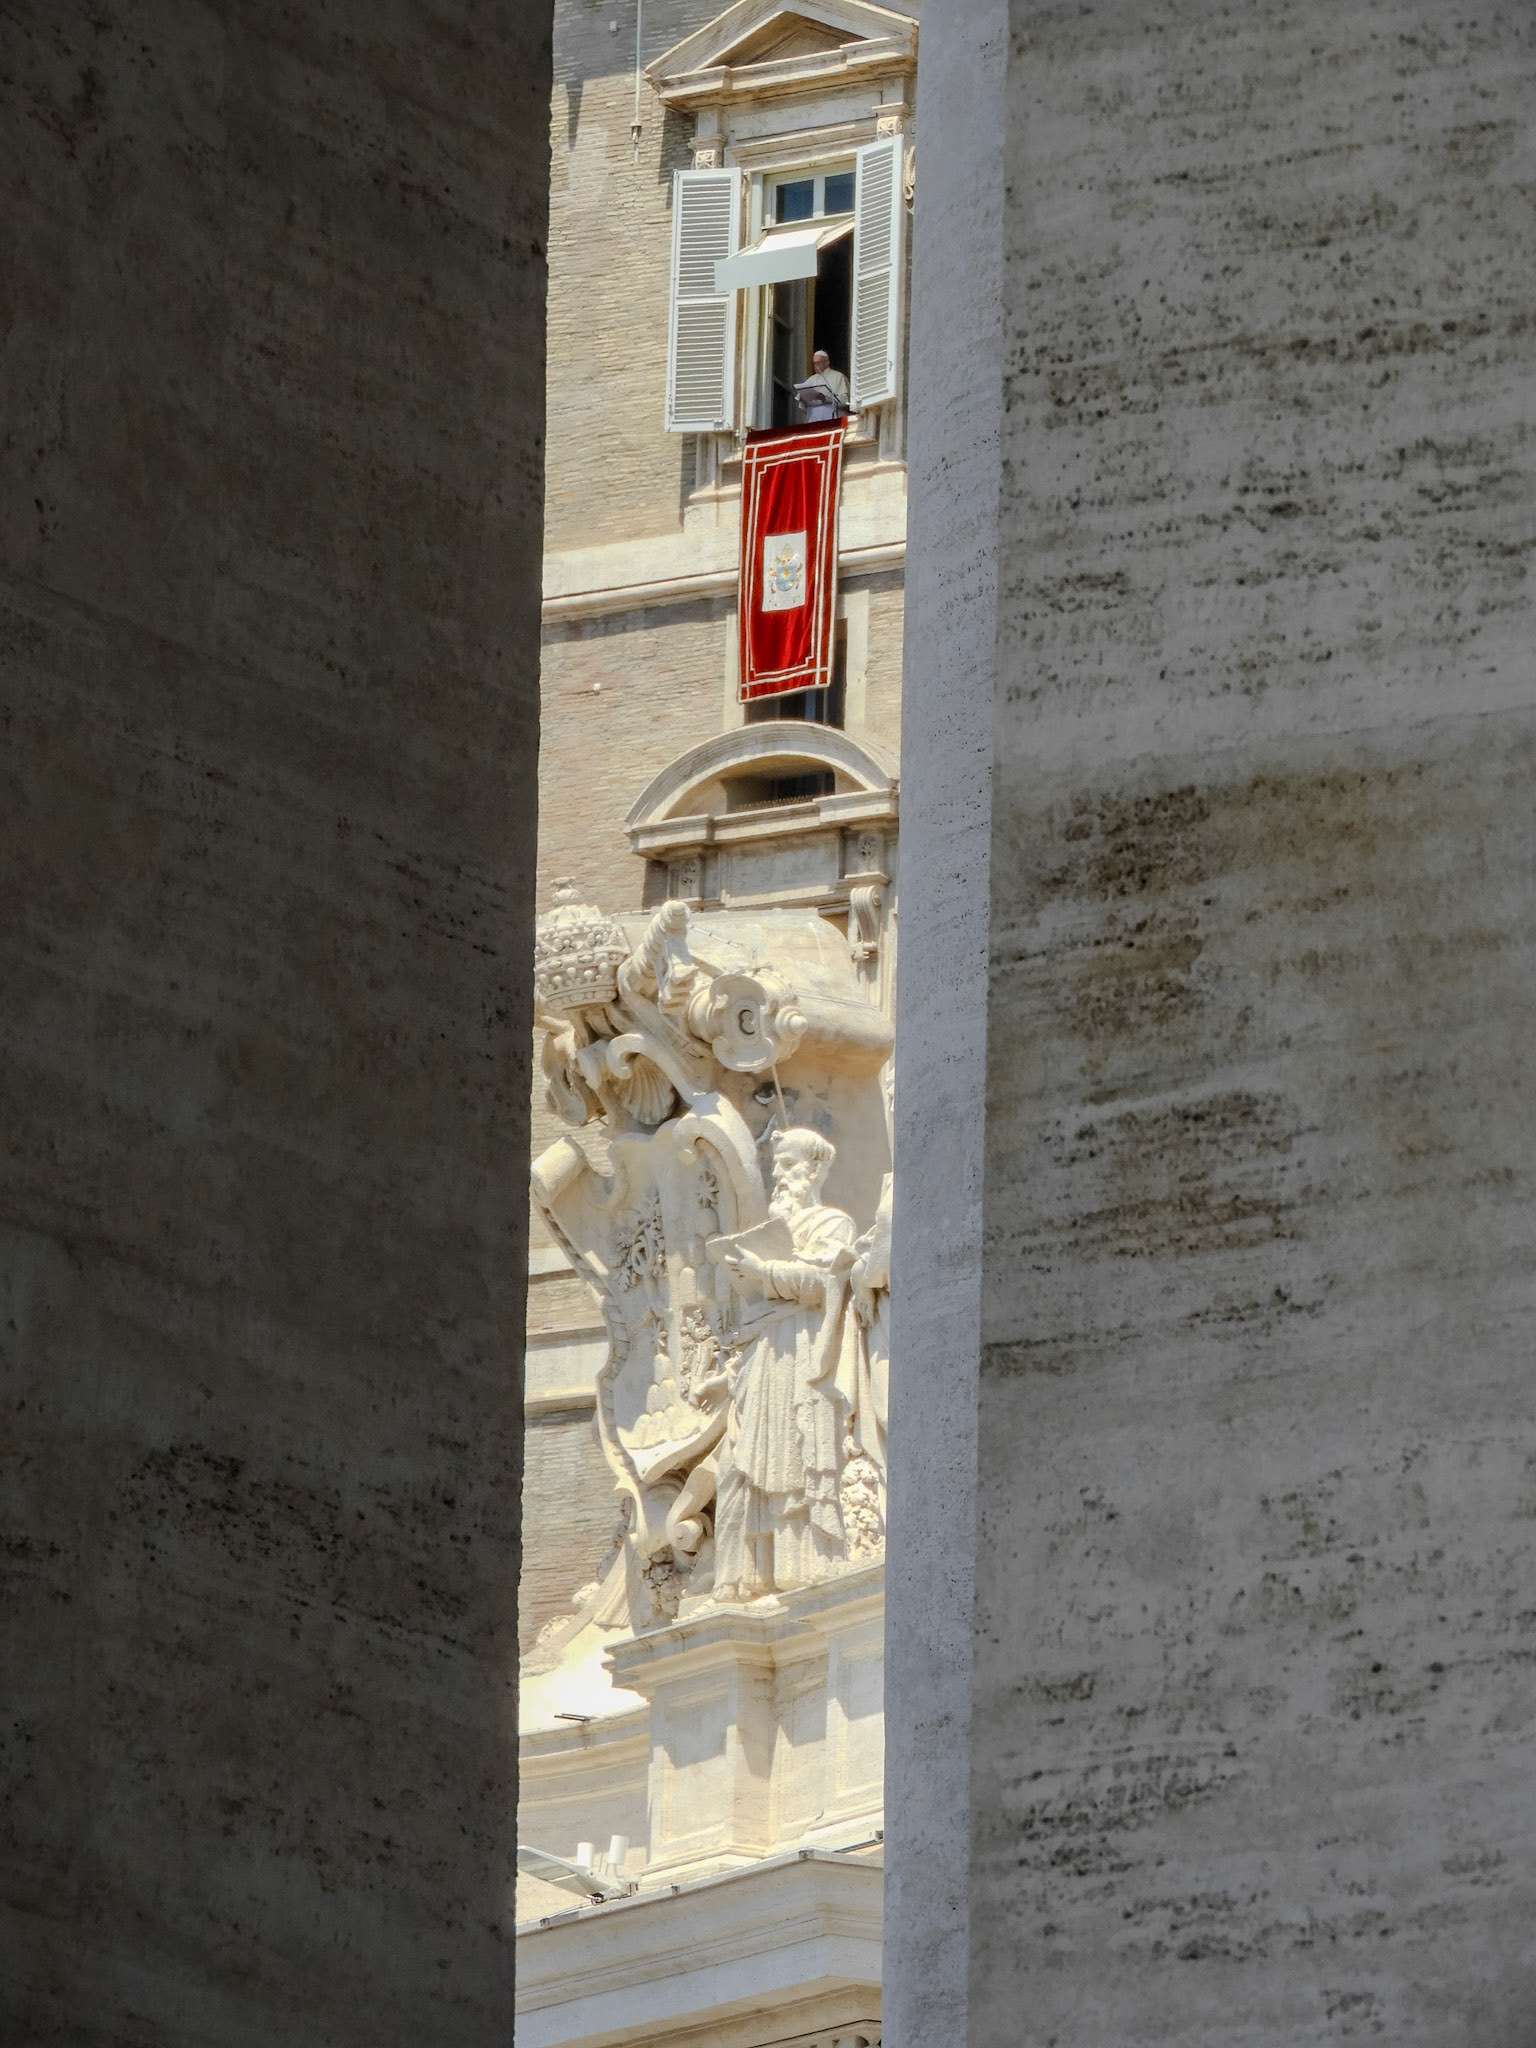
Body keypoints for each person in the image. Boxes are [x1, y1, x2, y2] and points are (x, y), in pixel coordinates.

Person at [711, 1129, 854, 1599]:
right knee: (755, 1458)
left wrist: (765, 1273)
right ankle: (756, 1573)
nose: (779, 1177)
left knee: (797, 1453)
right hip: (768, 1352)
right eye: (776, 1167)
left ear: (814, 1170)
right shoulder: (778, 1230)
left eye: (789, 1167)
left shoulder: (833, 1223)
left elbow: (828, 1282)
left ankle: (805, 1563)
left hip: (804, 1350)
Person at [799, 349, 851, 420]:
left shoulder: (838, 376)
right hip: (814, 419)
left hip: (834, 419)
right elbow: (802, 405)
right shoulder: (811, 380)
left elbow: (845, 401)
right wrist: (803, 400)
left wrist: (826, 399)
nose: (815, 366)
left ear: (827, 363)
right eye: (814, 363)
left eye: (818, 363)